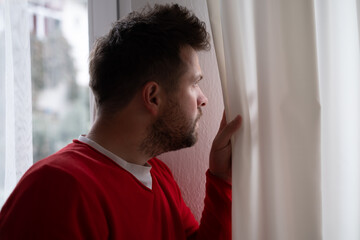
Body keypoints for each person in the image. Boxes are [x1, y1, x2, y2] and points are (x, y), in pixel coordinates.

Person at [0, 4, 241, 239]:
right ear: (153, 97)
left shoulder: (159, 176)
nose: (203, 99)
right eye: (194, 83)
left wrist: (221, 178)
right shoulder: (56, 189)